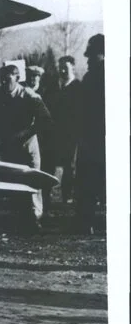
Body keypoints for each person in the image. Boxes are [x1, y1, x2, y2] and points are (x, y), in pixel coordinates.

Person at [0, 64, 53, 232]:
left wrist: (24, 133)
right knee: (14, 181)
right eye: (2, 81)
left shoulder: (29, 95)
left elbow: (46, 119)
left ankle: (35, 218)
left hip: (27, 145)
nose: (5, 84)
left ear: (17, 78)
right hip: (8, 146)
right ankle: (19, 218)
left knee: (32, 181)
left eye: (9, 80)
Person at [75, 34, 105, 234]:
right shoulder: (92, 76)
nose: (88, 60)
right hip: (94, 138)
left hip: (94, 139)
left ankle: (87, 222)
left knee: (88, 182)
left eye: (93, 55)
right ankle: (88, 222)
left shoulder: (94, 77)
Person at [49, 55, 82, 204]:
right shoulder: (55, 88)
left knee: (70, 166)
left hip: (72, 134)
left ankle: (68, 196)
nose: (62, 71)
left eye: (66, 68)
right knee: (53, 164)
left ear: (73, 68)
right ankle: (50, 196)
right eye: (60, 68)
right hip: (56, 133)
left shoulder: (78, 87)